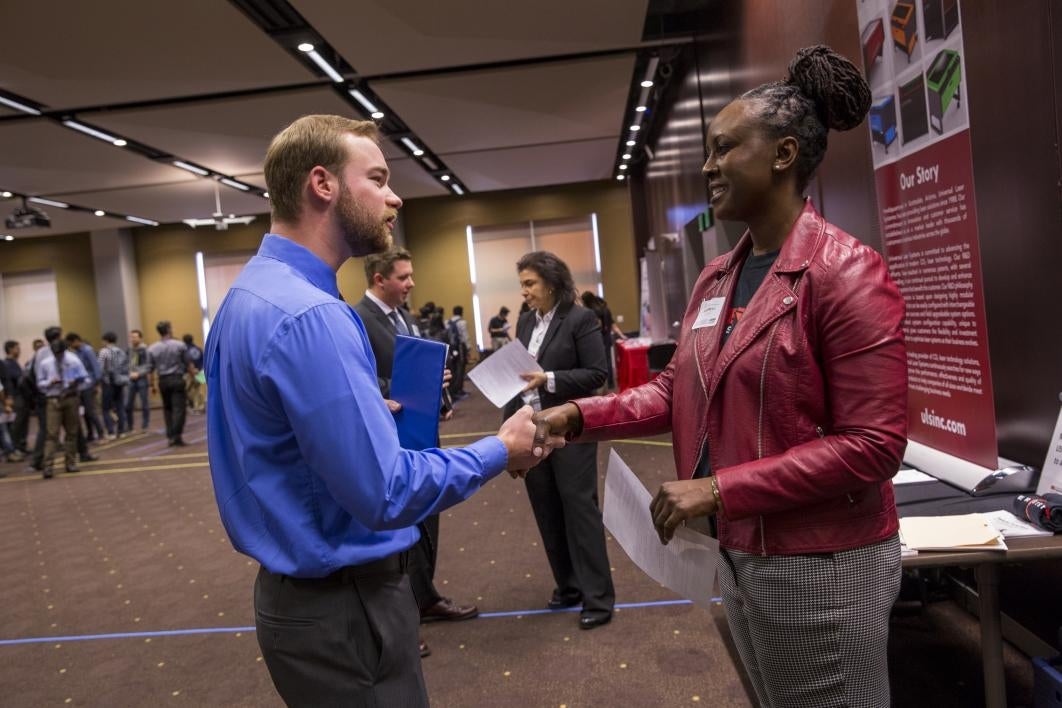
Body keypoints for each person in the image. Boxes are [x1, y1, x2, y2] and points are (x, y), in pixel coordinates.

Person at [534, 46, 906, 706]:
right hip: (738, 553)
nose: (708, 167)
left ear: (784, 155)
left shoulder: (845, 273)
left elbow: (874, 446)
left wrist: (717, 489)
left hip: (819, 562)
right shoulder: (719, 276)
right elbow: (676, 388)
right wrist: (578, 416)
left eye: (724, 147)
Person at [205, 114, 561, 707]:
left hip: (296, 601)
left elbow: (276, 443)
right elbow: (386, 492)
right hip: (347, 610)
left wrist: (364, 413)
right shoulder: (314, 315)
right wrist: (501, 448)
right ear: (323, 184)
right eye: (377, 177)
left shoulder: (244, 298)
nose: (394, 196)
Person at [353, 248, 476, 659]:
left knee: (427, 527)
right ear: (378, 279)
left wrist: (436, 392)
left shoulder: (403, 317)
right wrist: (400, 389)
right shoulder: (358, 319)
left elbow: (410, 367)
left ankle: (424, 598)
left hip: (422, 435)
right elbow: (358, 382)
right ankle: (404, 621)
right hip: (390, 441)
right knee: (402, 533)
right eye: (403, 277)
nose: (411, 284)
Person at [502, 251, 614, 630]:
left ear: (551, 282)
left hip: (569, 429)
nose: (525, 292)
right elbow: (515, 381)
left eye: (530, 284)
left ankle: (598, 598)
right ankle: (568, 586)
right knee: (546, 508)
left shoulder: (580, 319)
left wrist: (547, 378)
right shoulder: (523, 322)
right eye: (523, 285)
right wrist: (507, 437)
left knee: (579, 508)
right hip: (531, 428)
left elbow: (596, 374)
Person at [37, 336, 88, 477]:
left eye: (60, 353)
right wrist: (49, 382)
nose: (58, 356)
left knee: (72, 433)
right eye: (55, 353)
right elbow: (39, 384)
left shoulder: (74, 361)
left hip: (71, 398)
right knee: (51, 434)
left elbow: (86, 378)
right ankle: (48, 466)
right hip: (53, 399)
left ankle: (70, 463)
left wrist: (76, 382)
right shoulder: (45, 363)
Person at [147, 321, 193, 446]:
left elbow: (149, 370)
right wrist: (193, 376)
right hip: (177, 379)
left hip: (162, 380)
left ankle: (170, 435)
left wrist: (151, 385)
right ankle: (176, 436)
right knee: (179, 409)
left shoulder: (152, 348)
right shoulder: (179, 345)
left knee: (167, 409)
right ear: (168, 329)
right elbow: (188, 364)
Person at [580, 291, 627, 388]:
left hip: (598, 339)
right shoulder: (606, 308)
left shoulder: (592, 311)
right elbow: (613, 325)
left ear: (586, 301)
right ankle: (611, 383)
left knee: (598, 364)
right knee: (608, 361)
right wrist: (622, 335)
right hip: (607, 338)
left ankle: (602, 385)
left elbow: (599, 325)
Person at [65, 332, 105, 442]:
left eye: (71, 343)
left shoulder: (87, 350)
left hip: (89, 384)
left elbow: (96, 367)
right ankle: (90, 433)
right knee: (84, 413)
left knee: (90, 411)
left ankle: (101, 432)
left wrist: (96, 384)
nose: (70, 346)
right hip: (80, 386)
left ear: (76, 341)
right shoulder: (76, 353)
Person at [98, 332, 130, 438]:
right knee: (120, 406)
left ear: (106, 340)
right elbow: (126, 366)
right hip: (119, 382)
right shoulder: (121, 351)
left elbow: (100, 368)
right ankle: (122, 431)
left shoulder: (104, 352)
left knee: (106, 408)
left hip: (108, 382)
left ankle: (111, 432)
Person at [125, 329, 151, 431]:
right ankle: (130, 425)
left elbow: (148, 365)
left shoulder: (145, 349)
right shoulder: (129, 349)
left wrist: (139, 373)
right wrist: (129, 372)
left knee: (144, 403)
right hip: (131, 378)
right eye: (131, 337)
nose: (133, 339)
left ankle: (145, 424)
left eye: (135, 337)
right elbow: (126, 363)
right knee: (128, 404)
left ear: (140, 338)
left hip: (141, 379)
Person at [445, 306, 470, 399]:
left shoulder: (447, 322)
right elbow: (465, 337)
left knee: (453, 369)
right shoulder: (462, 322)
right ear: (461, 312)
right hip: (460, 348)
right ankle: (459, 389)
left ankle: (453, 390)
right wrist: (468, 349)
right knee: (461, 368)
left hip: (451, 349)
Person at [182, 334, 204, 414]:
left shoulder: (184, 350)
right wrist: (199, 369)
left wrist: (191, 370)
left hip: (188, 373)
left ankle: (193, 406)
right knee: (197, 390)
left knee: (188, 390)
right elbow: (203, 360)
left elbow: (185, 361)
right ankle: (199, 406)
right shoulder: (198, 349)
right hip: (199, 372)